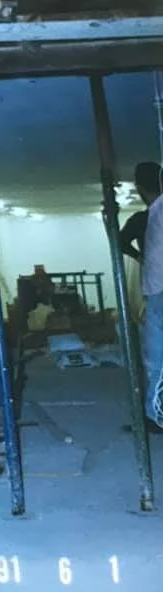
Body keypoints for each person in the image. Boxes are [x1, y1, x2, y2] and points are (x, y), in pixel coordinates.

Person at [135, 161, 163, 433]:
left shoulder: (156, 212)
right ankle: (154, 416)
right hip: (156, 293)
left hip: (159, 293)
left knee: (155, 358)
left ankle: (154, 416)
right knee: (155, 358)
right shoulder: (151, 214)